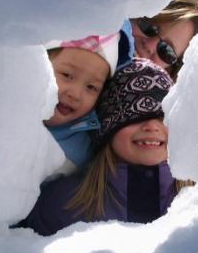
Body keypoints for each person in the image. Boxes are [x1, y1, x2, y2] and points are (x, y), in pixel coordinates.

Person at [19, 58, 193, 236]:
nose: (152, 126)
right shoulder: (64, 203)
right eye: (134, 116)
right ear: (108, 127)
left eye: (162, 117)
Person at [43, 31, 133, 169]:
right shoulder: (3, 102)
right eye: (67, 75)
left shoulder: (80, 154)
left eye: (91, 87)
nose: (75, 94)